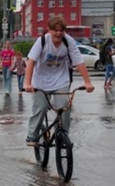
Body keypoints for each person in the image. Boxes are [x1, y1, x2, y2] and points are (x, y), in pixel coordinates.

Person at [24, 16, 94, 146]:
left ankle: (62, 135)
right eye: (55, 30)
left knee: (65, 107)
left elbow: (79, 62)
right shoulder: (42, 41)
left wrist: (87, 82)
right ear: (49, 30)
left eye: (61, 30)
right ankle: (32, 135)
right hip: (40, 81)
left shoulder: (68, 42)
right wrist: (27, 83)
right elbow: (31, 62)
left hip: (61, 80)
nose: (58, 33)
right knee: (41, 107)